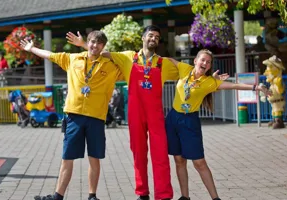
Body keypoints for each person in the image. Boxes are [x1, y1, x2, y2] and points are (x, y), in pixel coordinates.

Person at [66, 26, 228, 200]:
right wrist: (84, 44)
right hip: (136, 113)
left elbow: (193, 72)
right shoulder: (128, 57)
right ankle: (142, 193)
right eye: (151, 35)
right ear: (143, 38)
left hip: (155, 114)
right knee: (138, 153)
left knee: (160, 153)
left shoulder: (164, 63)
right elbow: (99, 54)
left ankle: (164, 195)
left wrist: (212, 80)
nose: (154, 38)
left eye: (157, 37)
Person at [20, 30, 123, 200]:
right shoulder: (73, 59)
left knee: (94, 158)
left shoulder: (111, 67)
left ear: (104, 46)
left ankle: (92, 196)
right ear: (87, 42)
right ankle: (58, 196)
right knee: (67, 157)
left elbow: (127, 64)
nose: (94, 45)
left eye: (98, 43)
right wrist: (31, 49)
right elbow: (50, 55)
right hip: (74, 115)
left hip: (96, 117)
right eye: (91, 42)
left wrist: (84, 44)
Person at [165, 49, 271, 200]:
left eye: (208, 62)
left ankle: (215, 198)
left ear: (209, 67)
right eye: (202, 60)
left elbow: (234, 86)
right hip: (173, 119)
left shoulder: (210, 82)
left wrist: (255, 87)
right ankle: (185, 196)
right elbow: (169, 59)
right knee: (179, 160)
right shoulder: (184, 69)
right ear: (195, 61)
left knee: (199, 162)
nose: (205, 63)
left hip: (189, 121)